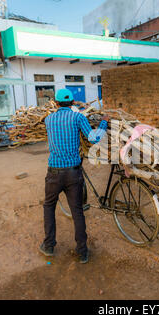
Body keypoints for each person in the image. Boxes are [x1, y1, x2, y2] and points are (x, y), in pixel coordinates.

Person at [39, 88, 109, 263]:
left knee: (49, 207)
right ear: (72, 103)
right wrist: (103, 123)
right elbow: (93, 138)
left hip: (54, 173)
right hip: (73, 172)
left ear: (55, 103)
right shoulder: (78, 117)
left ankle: (48, 246)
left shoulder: (48, 120)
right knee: (77, 211)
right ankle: (82, 251)